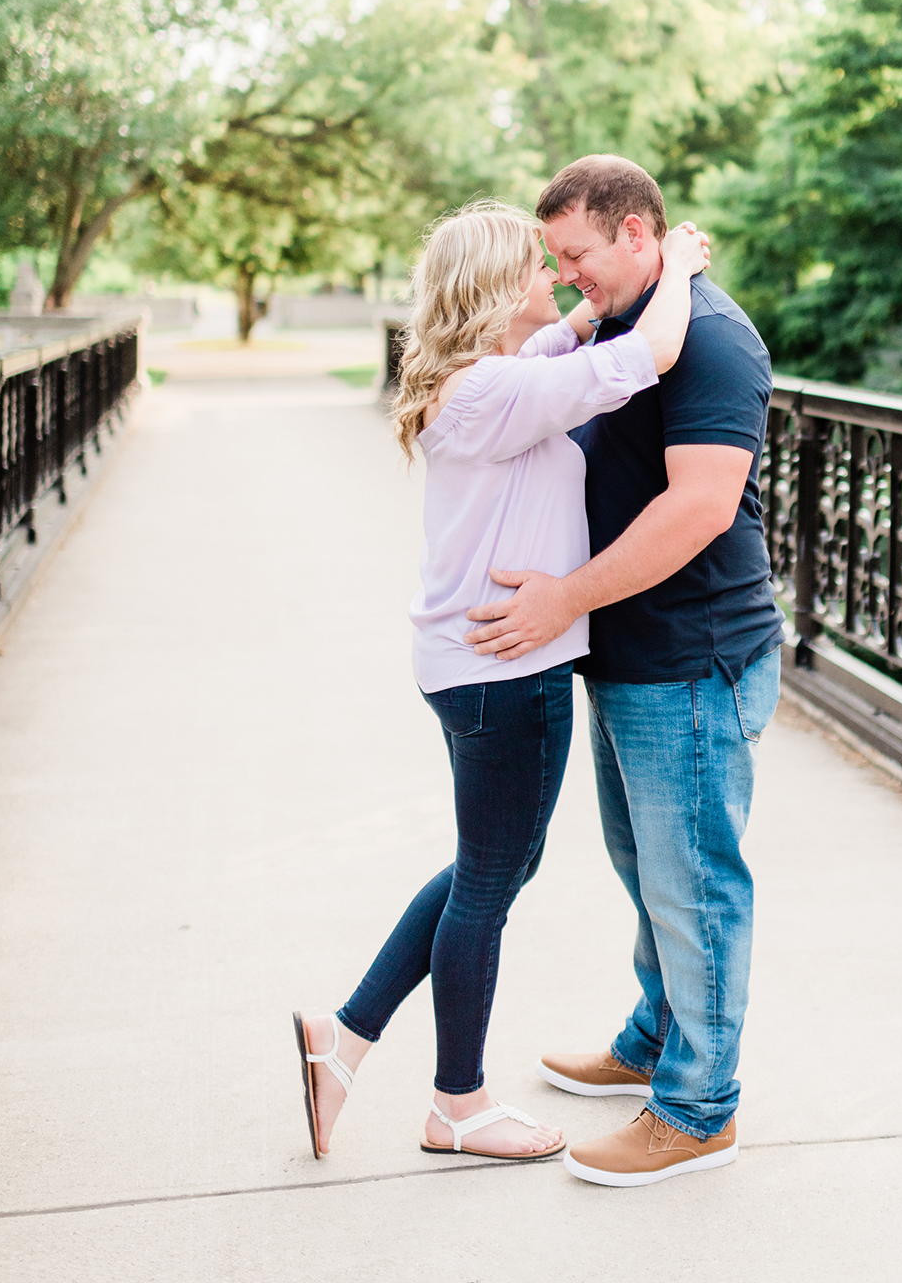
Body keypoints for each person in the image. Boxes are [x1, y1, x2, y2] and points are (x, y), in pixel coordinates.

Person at [294, 200, 710, 1162]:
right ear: (491, 290)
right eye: (537, 266)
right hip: (503, 671)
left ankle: (344, 1038)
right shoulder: (491, 393)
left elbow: (564, 344)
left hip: (477, 667)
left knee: (489, 868)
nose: (557, 279)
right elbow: (643, 354)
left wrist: (573, 315)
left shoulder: (487, 377)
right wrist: (679, 264)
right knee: (488, 881)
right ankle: (458, 1105)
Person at [464, 155, 785, 1188]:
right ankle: (653, 1039)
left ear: (639, 234)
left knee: (693, 885)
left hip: (693, 656)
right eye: (554, 260)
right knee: (647, 871)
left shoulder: (716, 344)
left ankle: (696, 1109)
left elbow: (696, 510)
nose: (565, 277)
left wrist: (562, 597)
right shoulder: (626, 321)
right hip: (628, 653)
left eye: (577, 256)